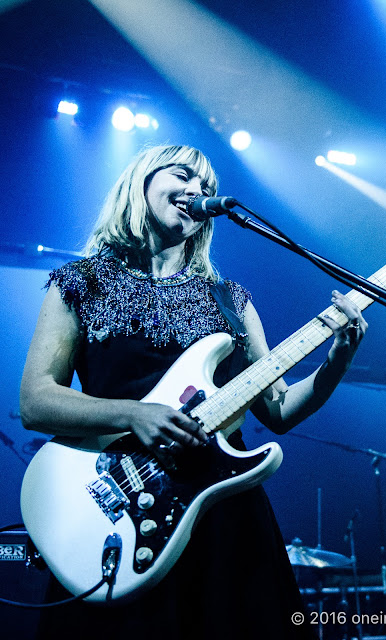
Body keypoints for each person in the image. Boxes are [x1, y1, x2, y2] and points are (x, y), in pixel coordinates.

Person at [20, 144, 367, 639]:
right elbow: (35, 400)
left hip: (221, 513)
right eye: (182, 175)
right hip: (118, 508)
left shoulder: (230, 299)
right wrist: (133, 414)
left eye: (206, 187)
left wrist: (338, 360)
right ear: (140, 181)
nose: (196, 192)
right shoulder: (82, 283)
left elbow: (280, 408)